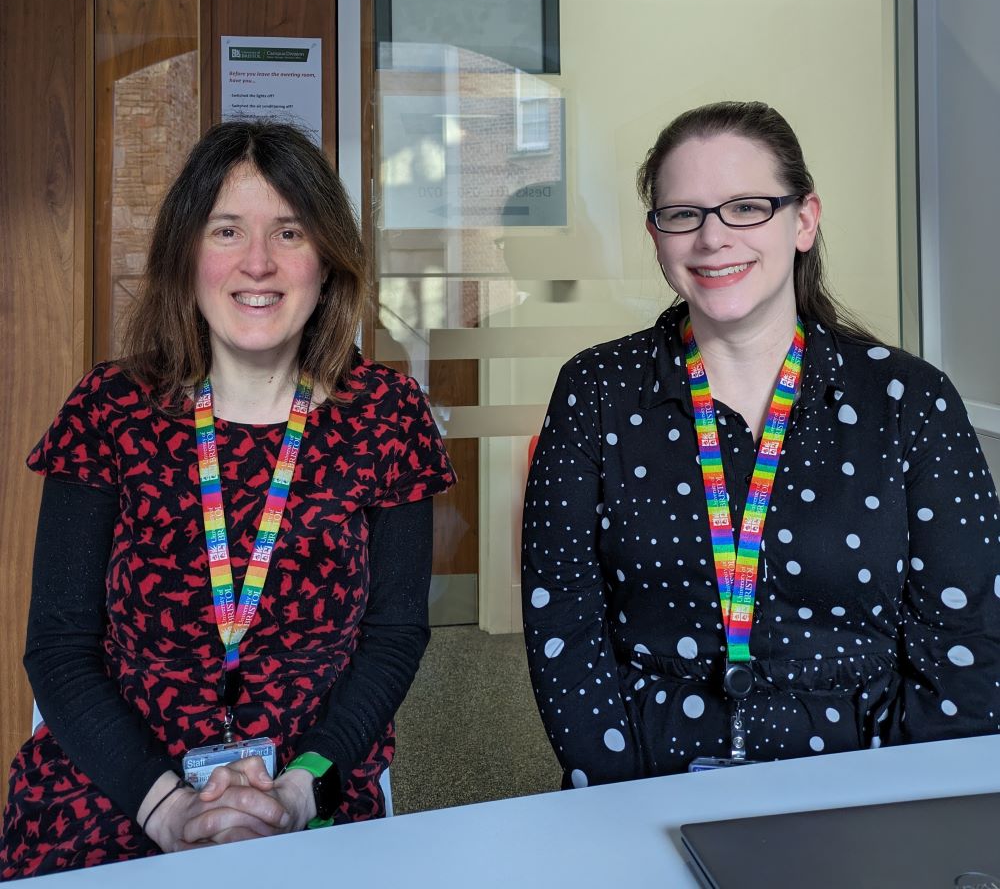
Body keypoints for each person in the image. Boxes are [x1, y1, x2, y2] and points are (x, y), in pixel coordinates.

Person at [0, 121, 455, 878]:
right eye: (227, 230)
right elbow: (58, 647)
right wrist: (170, 809)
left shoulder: (385, 413)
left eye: (289, 231)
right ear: (187, 254)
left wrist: (302, 793)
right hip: (114, 796)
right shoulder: (110, 408)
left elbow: (395, 636)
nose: (258, 263)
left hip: (311, 789)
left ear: (327, 259)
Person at [521, 100, 1000, 790]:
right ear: (656, 237)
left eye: (746, 207)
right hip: (649, 778)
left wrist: (903, 800)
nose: (713, 238)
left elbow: (966, 635)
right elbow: (562, 615)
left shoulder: (909, 401)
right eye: (683, 214)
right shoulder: (597, 391)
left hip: (867, 781)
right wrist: (620, 786)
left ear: (803, 220)